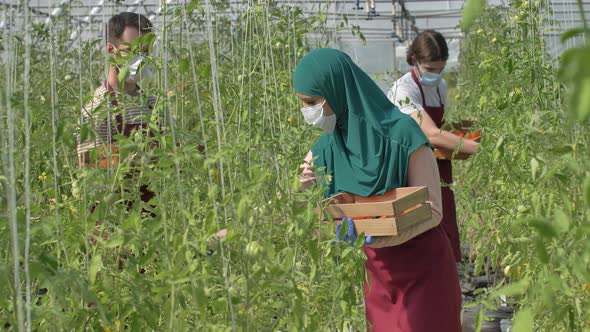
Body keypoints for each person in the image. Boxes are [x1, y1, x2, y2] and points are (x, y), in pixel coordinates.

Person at [295, 48, 460, 332]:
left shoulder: (403, 134)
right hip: (377, 277)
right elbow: (291, 208)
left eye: (311, 102)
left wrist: (379, 239)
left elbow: (433, 210)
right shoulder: (326, 149)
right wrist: (301, 191)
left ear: (336, 91)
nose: (308, 112)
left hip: (423, 269)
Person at [387, 30, 479, 264]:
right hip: (411, 169)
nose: (436, 75)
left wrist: (466, 130)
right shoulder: (403, 90)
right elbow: (431, 132)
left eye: (440, 69)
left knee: (443, 221)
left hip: (439, 165)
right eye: (430, 69)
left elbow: (442, 126)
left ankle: (444, 277)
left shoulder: (440, 86)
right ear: (415, 61)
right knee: (419, 224)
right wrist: (478, 148)